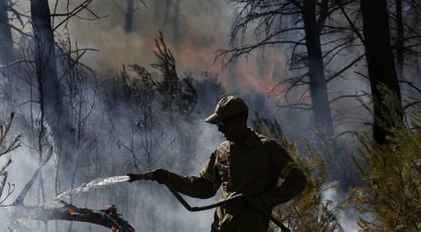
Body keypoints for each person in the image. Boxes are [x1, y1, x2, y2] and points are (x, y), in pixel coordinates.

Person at [129, 95, 306, 231]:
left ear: (239, 121)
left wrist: (266, 200)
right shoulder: (222, 151)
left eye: (222, 124)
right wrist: (169, 178)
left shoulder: (267, 148)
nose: (220, 129)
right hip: (221, 226)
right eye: (218, 125)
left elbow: (298, 179)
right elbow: (203, 187)